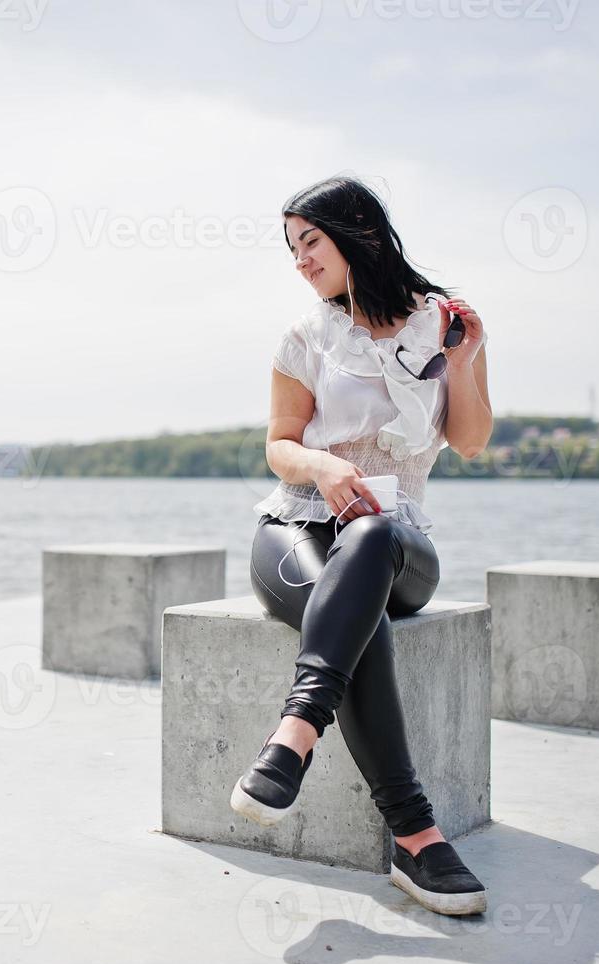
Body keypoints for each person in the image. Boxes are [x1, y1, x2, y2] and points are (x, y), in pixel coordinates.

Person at [230, 175, 494, 917]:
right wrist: (320, 464)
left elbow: (470, 442)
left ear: (359, 234)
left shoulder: (442, 324)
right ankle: (416, 838)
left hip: (396, 543)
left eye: (309, 240)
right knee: (357, 621)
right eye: (292, 246)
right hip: (295, 531)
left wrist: (465, 363)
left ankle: (294, 732)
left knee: (373, 537)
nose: (299, 260)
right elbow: (279, 446)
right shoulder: (304, 337)